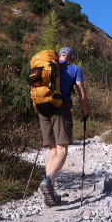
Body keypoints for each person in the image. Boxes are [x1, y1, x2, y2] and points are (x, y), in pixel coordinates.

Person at [38, 46, 88, 206]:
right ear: (71, 57)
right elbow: (81, 91)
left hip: (43, 109)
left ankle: (50, 193)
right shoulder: (75, 68)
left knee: (52, 151)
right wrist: (85, 112)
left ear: (59, 56)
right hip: (61, 109)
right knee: (62, 150)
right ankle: (49, 180)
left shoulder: (48, 66)